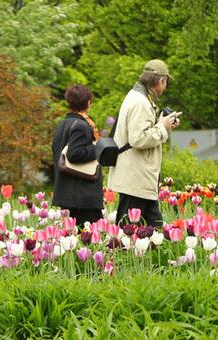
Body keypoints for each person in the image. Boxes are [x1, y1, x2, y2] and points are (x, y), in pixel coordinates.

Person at [108, 59, 181, 227]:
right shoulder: (141, 102)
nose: (166, 86)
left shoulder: (136, 96)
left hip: (138, 177)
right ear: (161, 80)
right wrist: (163, 126)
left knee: (154, 229)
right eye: (166, 82)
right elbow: (138, 138)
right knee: (128, 231)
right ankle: (119, 252)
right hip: (136, 176)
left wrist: (163, 124)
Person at [51, 84, 103, 228]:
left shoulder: (62, 125)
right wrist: (98, 147)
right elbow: (74, 154)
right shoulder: (81, 125)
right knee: (93, 239)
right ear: (88, 103)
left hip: (68, 194)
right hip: (82, 196)